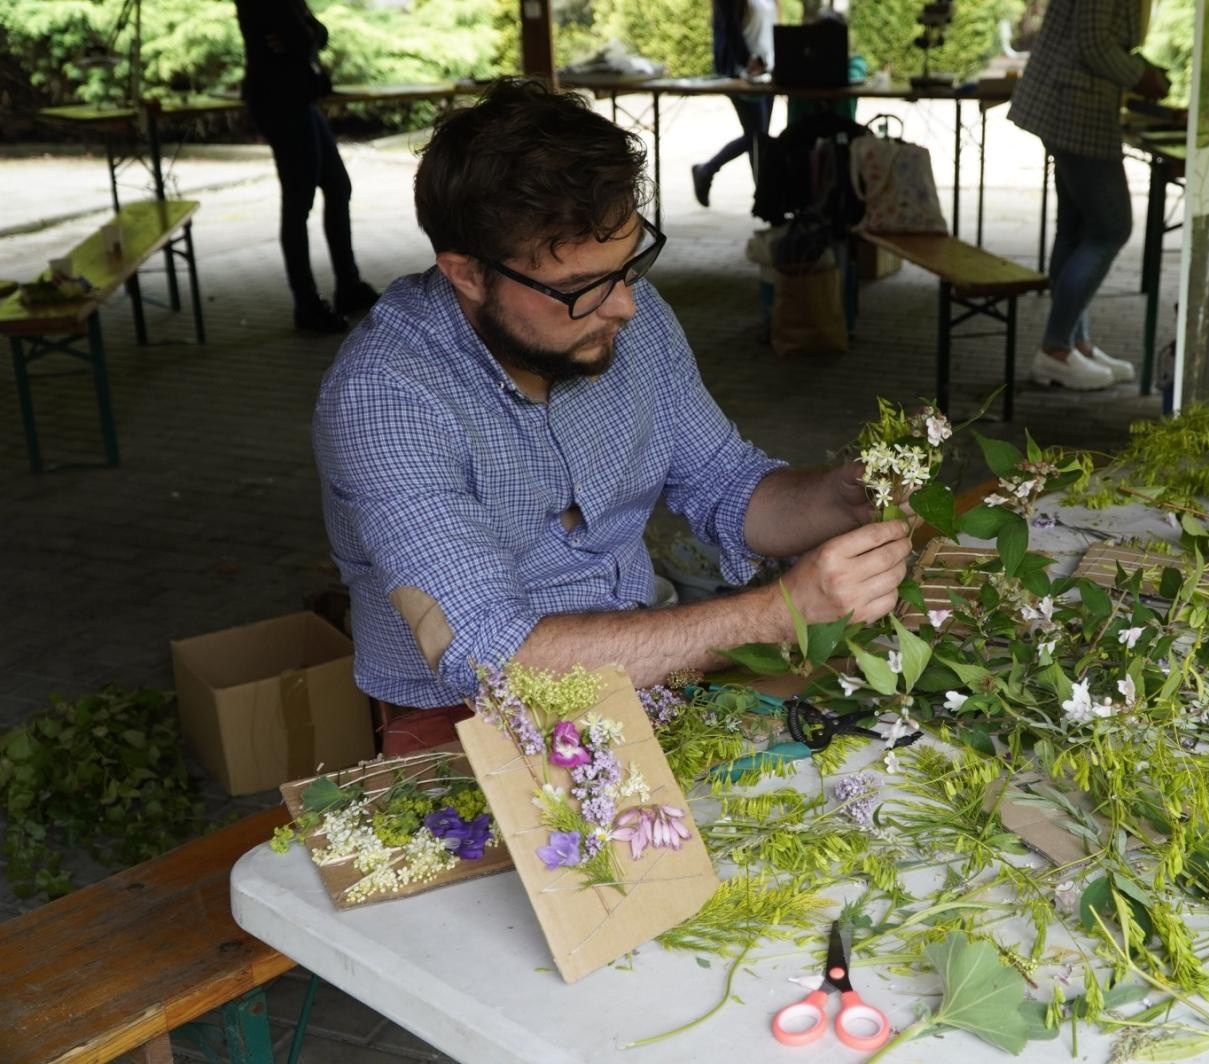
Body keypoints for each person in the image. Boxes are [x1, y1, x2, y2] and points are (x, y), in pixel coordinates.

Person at [313, 79, 911, 755]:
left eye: (627, 266)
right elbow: (493, 661)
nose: (623, 305)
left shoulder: (628, 317)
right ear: (467, 275)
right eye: (581, 289)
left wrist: (837, 499)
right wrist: (780, 614)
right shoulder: (386, 396)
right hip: (460, 723)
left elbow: (727, 484)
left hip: (649, 668)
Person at [1008, 0, 1169, 391]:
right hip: (1076, 107)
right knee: (1111, 228)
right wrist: (1141, 76)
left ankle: (1073, 345)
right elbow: (1093, 44)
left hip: (1069, 104)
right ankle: (1056, 349)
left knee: (1077, 230)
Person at [235, 0, 380, 332]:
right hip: (279, 101)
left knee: (338, 186)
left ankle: (348, 284)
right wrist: (304, 36)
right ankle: (306, 303)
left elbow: (315, 35)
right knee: (299, 201)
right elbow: (302, 39)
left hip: (301, 98)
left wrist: (306, 34)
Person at [691, 0, 778, 207]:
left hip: (767, 71)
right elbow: (730, 31)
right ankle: (764, 199)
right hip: (741, 73)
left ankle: (763, 197)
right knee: (757, 136)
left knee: (758, 138)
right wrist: (749, 60)